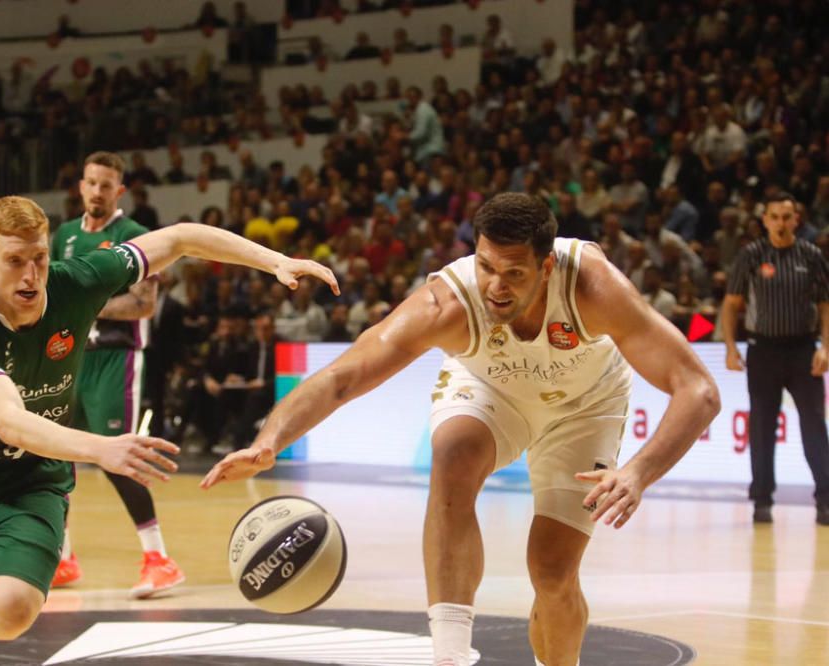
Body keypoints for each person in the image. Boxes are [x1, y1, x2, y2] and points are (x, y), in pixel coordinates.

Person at [202, 193, 720, 666]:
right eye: (486, 266)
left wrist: (636, 474)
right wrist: (268, 441)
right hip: (490, 388)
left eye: (514, 273)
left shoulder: (594, 286)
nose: (496, 285)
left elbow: (699, 390)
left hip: (586, 406)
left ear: (546, 265)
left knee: (552, 572)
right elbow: (344, 376)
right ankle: (450, 656)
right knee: (452, 458)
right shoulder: (448, 302)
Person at [0, 195, 338, 666]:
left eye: (40, 259)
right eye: (14, 261)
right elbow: (8, 421)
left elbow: (180, 238)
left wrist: (274, 260)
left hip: (30, 480)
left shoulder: (77, 281)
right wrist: (103, 449)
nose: (31, 276)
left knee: (11, 611)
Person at [47, 152, 167, 597]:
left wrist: (85, 307)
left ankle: (159, 559)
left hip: (116, 358)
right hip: (71, 358)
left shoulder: (134, 236)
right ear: (80, 186)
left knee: (118, 458)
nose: (97, 191)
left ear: (119, 191)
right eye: (91, 182)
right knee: (52, 456)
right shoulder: (64, 235)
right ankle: (62, 559)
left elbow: (144, 304)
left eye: (106, 184)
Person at [721, 191, 829, 525]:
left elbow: (826, 306)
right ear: (765, 220)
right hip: (763, 350)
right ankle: (762, 500)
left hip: (802, 350)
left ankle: (826, 499)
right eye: (775, 217)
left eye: (787, 217)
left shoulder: (811, 255)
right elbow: (731, 304)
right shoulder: (751, 255)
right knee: (762, 427)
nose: (781, 223)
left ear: (796, 219)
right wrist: (729, 346)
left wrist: (825, 347)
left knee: (814, 425)